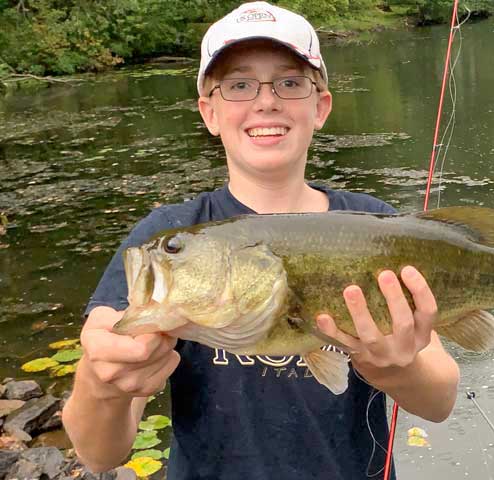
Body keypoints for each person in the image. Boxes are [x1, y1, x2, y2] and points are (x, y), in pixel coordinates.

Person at [61, 2, 460, 479]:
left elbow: (440, 401)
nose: (265, 101)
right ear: (208, 112)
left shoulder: (375, 224)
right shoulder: (164, 233)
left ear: (321, 107)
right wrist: (100, 385)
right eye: (238, 85)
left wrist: (396, 369)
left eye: (290, 83)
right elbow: (100, 454)